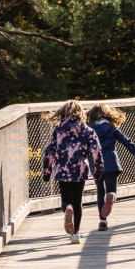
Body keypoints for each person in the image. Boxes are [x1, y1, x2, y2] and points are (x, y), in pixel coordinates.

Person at [41, 99, 102, 244]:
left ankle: (66, 208)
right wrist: (99, 169)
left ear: (64, 112)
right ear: (81, 113)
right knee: (78, 202)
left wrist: (46, 171)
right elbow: (96, 150)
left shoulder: (59, 130)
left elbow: (49, 151)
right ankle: (75, 233)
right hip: (79, 170)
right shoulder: (87, 130)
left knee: (66, 199)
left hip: (62, 170)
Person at [88, 105, 135, 231]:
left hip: (96, 163)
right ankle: (111, 196)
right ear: (107, 114)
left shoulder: (89, 129)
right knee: (111, 190)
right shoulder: (111, 127)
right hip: (111, 161)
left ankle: (102, 221)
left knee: (100, 191)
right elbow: (126, 141)